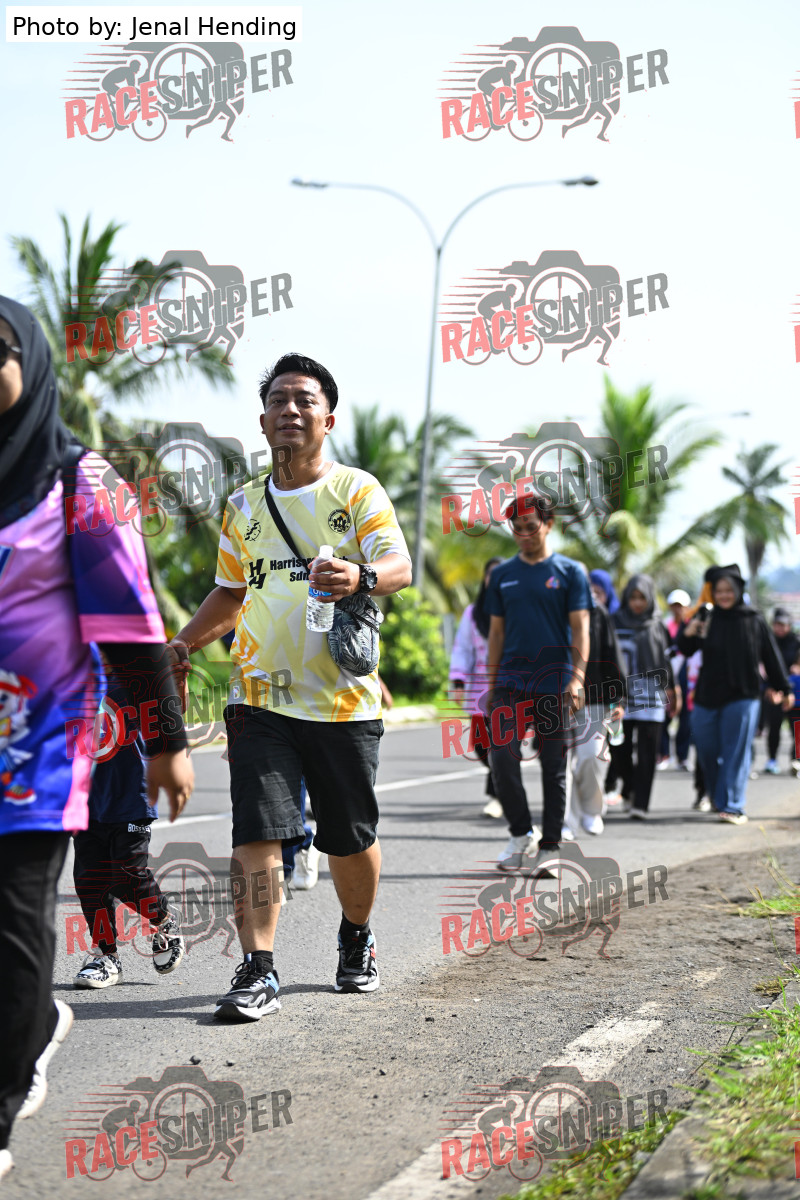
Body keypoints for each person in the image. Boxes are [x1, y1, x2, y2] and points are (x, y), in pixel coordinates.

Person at [0, 297, 193, 1179]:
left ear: (31, 365)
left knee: (13, 920)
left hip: (34, 750)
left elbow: (132, 626)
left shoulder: (83, 483)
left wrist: (166, 741)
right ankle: (34, 1020)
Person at [168, 353, 411, 1021]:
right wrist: (183, 644)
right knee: (258, 830)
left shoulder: (357, 490)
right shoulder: (243, 505)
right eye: (279, 399)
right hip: (258, 697)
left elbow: (398, 565)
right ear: (263, 420)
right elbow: (230, 591)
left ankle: (355, 936)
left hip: (341, 702)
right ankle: (258, 967)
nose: (291, 410)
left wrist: (360, 577)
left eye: (305, 400)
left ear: (328, 419)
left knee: (349, 837)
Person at [485, 494, 590, 873]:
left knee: (552, 768)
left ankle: (550, 847)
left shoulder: (570, 572)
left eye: (531, 526)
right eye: (517, 528)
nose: (524, 535)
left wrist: (577, 678)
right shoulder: (502, 575)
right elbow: (496, 634)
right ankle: (520, 834)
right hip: (510, 684)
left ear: (548, 524)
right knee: (502, 759)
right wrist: (491, 685)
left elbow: (581, 629)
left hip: (555, 684)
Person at [72, 663, 186, 988]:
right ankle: (105, 956)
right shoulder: (70, 676)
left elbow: (173, 710)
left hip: (131, 794)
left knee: (127, 875)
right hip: (84, 797)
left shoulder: (135, 671)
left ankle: (164, 920)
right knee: (89, 880)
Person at [677, 564, 789, 824]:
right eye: (719, 591)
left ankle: (734, 806)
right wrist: (688, 631)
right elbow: (686, 648)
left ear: (738, 591)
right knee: (705, 748)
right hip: (707, 695)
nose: (724, 595)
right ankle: (720, 796)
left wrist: (783, 688)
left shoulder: (753, 619)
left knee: (735, 752)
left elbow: (770, 656)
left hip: (743, 695)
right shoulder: (707, 618)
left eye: (729, 590)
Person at [607, 575, 678, 819]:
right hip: (621, 693)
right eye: (633, 598)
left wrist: (673, 689)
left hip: (652, 693)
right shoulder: (614, 622)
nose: (637, 603)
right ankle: (629, 788)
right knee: (620, 749)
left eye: (642, 598)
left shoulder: (657, 625)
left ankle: (641, 804)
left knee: (648, 751)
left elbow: (666, 660)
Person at [568, 570, 627, 836]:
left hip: (594, 698)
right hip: (554, 698)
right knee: (561, 763)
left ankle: (591, 810)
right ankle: (566, 820)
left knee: (591, 756)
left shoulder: (597, 612)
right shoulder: (548, 610)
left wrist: (618, 698)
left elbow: (611, 654)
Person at [449, 557, 504, 818]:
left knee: (501, 742)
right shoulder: (473, 613)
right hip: (480, 688)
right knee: (480, 743)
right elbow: (463, 648)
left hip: (508, 686)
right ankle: (502, 783)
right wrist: (458, 681)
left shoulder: (516, 608)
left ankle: (497, 796)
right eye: (491, 574)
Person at [763, 608, 800, 774]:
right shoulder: (768, 641)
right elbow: (763, 667)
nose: (780, 628)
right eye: (777, 624)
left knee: (797, 728)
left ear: (789, 625)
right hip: (775, 691)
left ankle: (796, 760)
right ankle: (772, 760)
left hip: (795, 692)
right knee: (774, 727)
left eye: (783, 625)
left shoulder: (796, 642)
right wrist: (768, 688)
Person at [659, 588, 692, 770]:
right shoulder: (665, 625)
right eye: (674, 605)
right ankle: (664, 754)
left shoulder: (691, 626)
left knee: (686, 717)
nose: (677, 609)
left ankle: (682, 757)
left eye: (681, 606)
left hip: (687, 674)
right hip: (667, 674)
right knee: (664, 713)